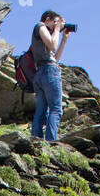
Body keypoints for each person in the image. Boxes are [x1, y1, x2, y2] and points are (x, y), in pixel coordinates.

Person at [31, 11, 73, 142]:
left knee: (41, 111)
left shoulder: (44, 35)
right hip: (49, 72)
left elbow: (55, 58)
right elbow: (53, 45)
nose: (59, 26)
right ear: (47, 19)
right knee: (55, 110)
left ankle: (36, 141)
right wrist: (56, 29)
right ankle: (51, 142)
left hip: (41, 73)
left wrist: (64, 39)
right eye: (56, 21)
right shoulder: (40, 26)